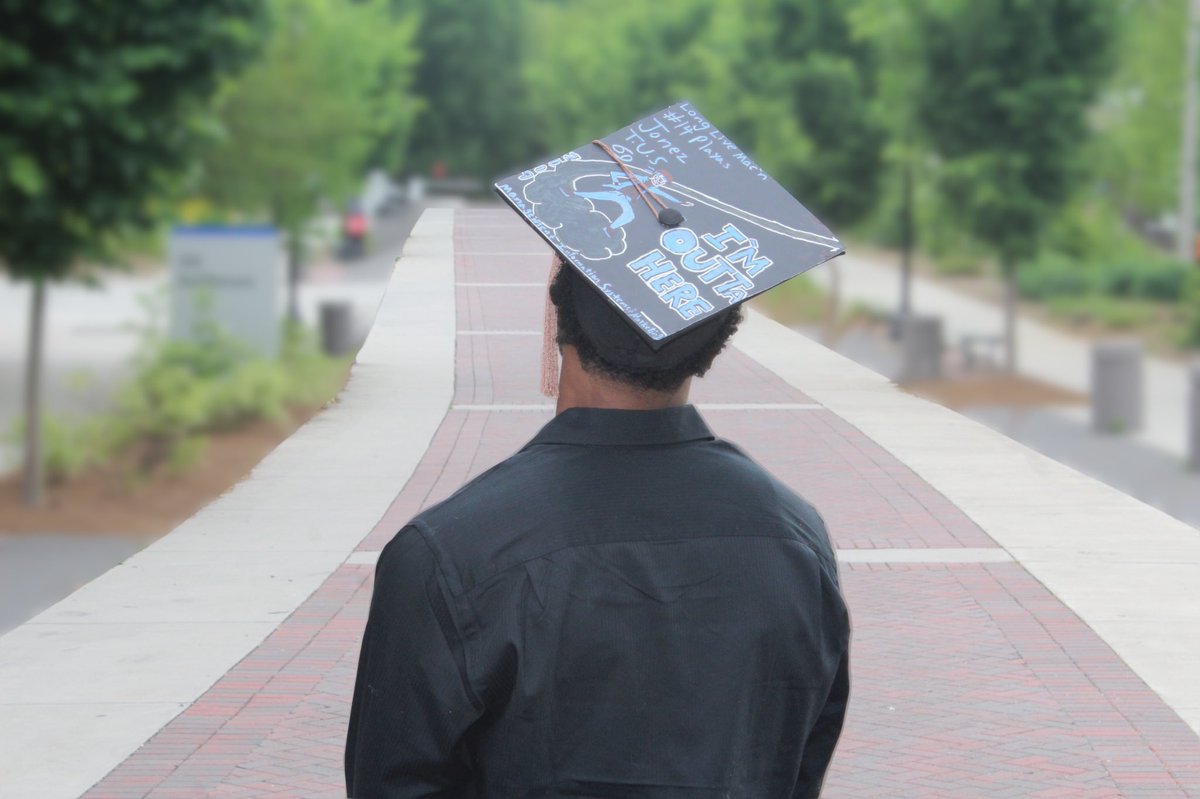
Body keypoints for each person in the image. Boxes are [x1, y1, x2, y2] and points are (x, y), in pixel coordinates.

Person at [344, 257, 851, 798]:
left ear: (560, 321)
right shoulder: (796, 537)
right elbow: (801, 761)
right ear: (714, 344)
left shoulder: (447, 551)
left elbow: (391, 780)